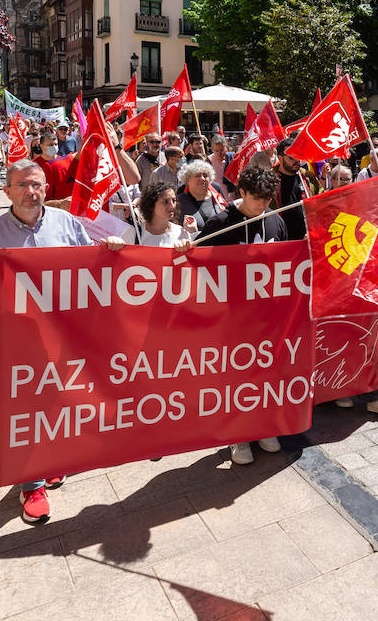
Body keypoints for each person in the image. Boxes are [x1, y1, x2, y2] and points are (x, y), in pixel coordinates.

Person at [0, 159, 94, 525]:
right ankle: (31, 484)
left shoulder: (68, 224)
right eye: (22, 185)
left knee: (59, 403)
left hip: (65, 337)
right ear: (6, 191)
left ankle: (52, 461)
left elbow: (94, 269)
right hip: (20, 344)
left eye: (36, 185)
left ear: (45, 188)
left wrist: (114, 247)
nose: (30, 192)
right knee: (26, 411)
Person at [197, 165, 289, 463]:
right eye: (257, 199)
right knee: (235, 380)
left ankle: (263, 426)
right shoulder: (220, 223)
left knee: (266, 376)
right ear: (243, 192)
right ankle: (238, 436)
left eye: (268, 199)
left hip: (268, 319)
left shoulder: (275, 220)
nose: (263, 205)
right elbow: (198, 270)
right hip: (232, 322)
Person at [121, 181, 197, 246]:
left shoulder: (181, 233)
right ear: (151, 204)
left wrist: (194, 233)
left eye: (174, 201)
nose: (172, 206)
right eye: (165, 202)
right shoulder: (134, 233)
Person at [274, 136, 310, 241]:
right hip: (282, 241)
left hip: (307, 238)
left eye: (298, 155)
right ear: (280, 158)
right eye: (291, 157)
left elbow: (319, 199)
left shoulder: (307, 176)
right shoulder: (269, 180)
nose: (296, 160)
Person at [177, 159, 226, 229]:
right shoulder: (179, 202)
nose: (202, 179)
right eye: (197, 176)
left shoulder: (217, 194)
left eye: (205, 175)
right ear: (187, 181)